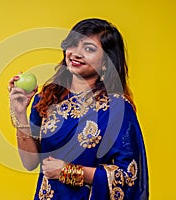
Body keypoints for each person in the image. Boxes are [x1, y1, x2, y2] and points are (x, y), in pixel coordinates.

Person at [8, 18, 149, 200]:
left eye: (89, 49)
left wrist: (69, 171)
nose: (76, 53)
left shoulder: (117, 108)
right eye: (73, 45)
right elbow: (30, 162)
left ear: (106, 62)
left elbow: (129, 175)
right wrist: (19, 113)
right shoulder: (47, 98)